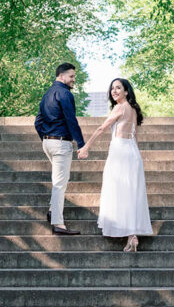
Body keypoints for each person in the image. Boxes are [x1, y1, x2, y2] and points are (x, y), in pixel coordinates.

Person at [78, 78, 152, 252]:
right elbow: (136, 137)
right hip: (133, 152)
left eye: (118, 88)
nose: (114, 91)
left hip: (120, 151)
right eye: (112, 88)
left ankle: (130, 235)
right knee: (131, 193)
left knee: (120, 192)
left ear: (126, 91)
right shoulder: (133, 110)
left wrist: (86, 147)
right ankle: (132, 235)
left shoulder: (119, 108)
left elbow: (101, 128)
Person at [34, 63, 85, 235]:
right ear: (61, 76)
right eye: (71, 76)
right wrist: (81, 144)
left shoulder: (47, 94)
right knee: (59, 184)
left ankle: (51, 211)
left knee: (58, 180)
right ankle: (58, 223)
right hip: (61, 143)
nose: (73, 80)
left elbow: (37, 122)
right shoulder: (65, 94)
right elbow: (71, 120)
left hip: (48, 143)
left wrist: (46, 138)